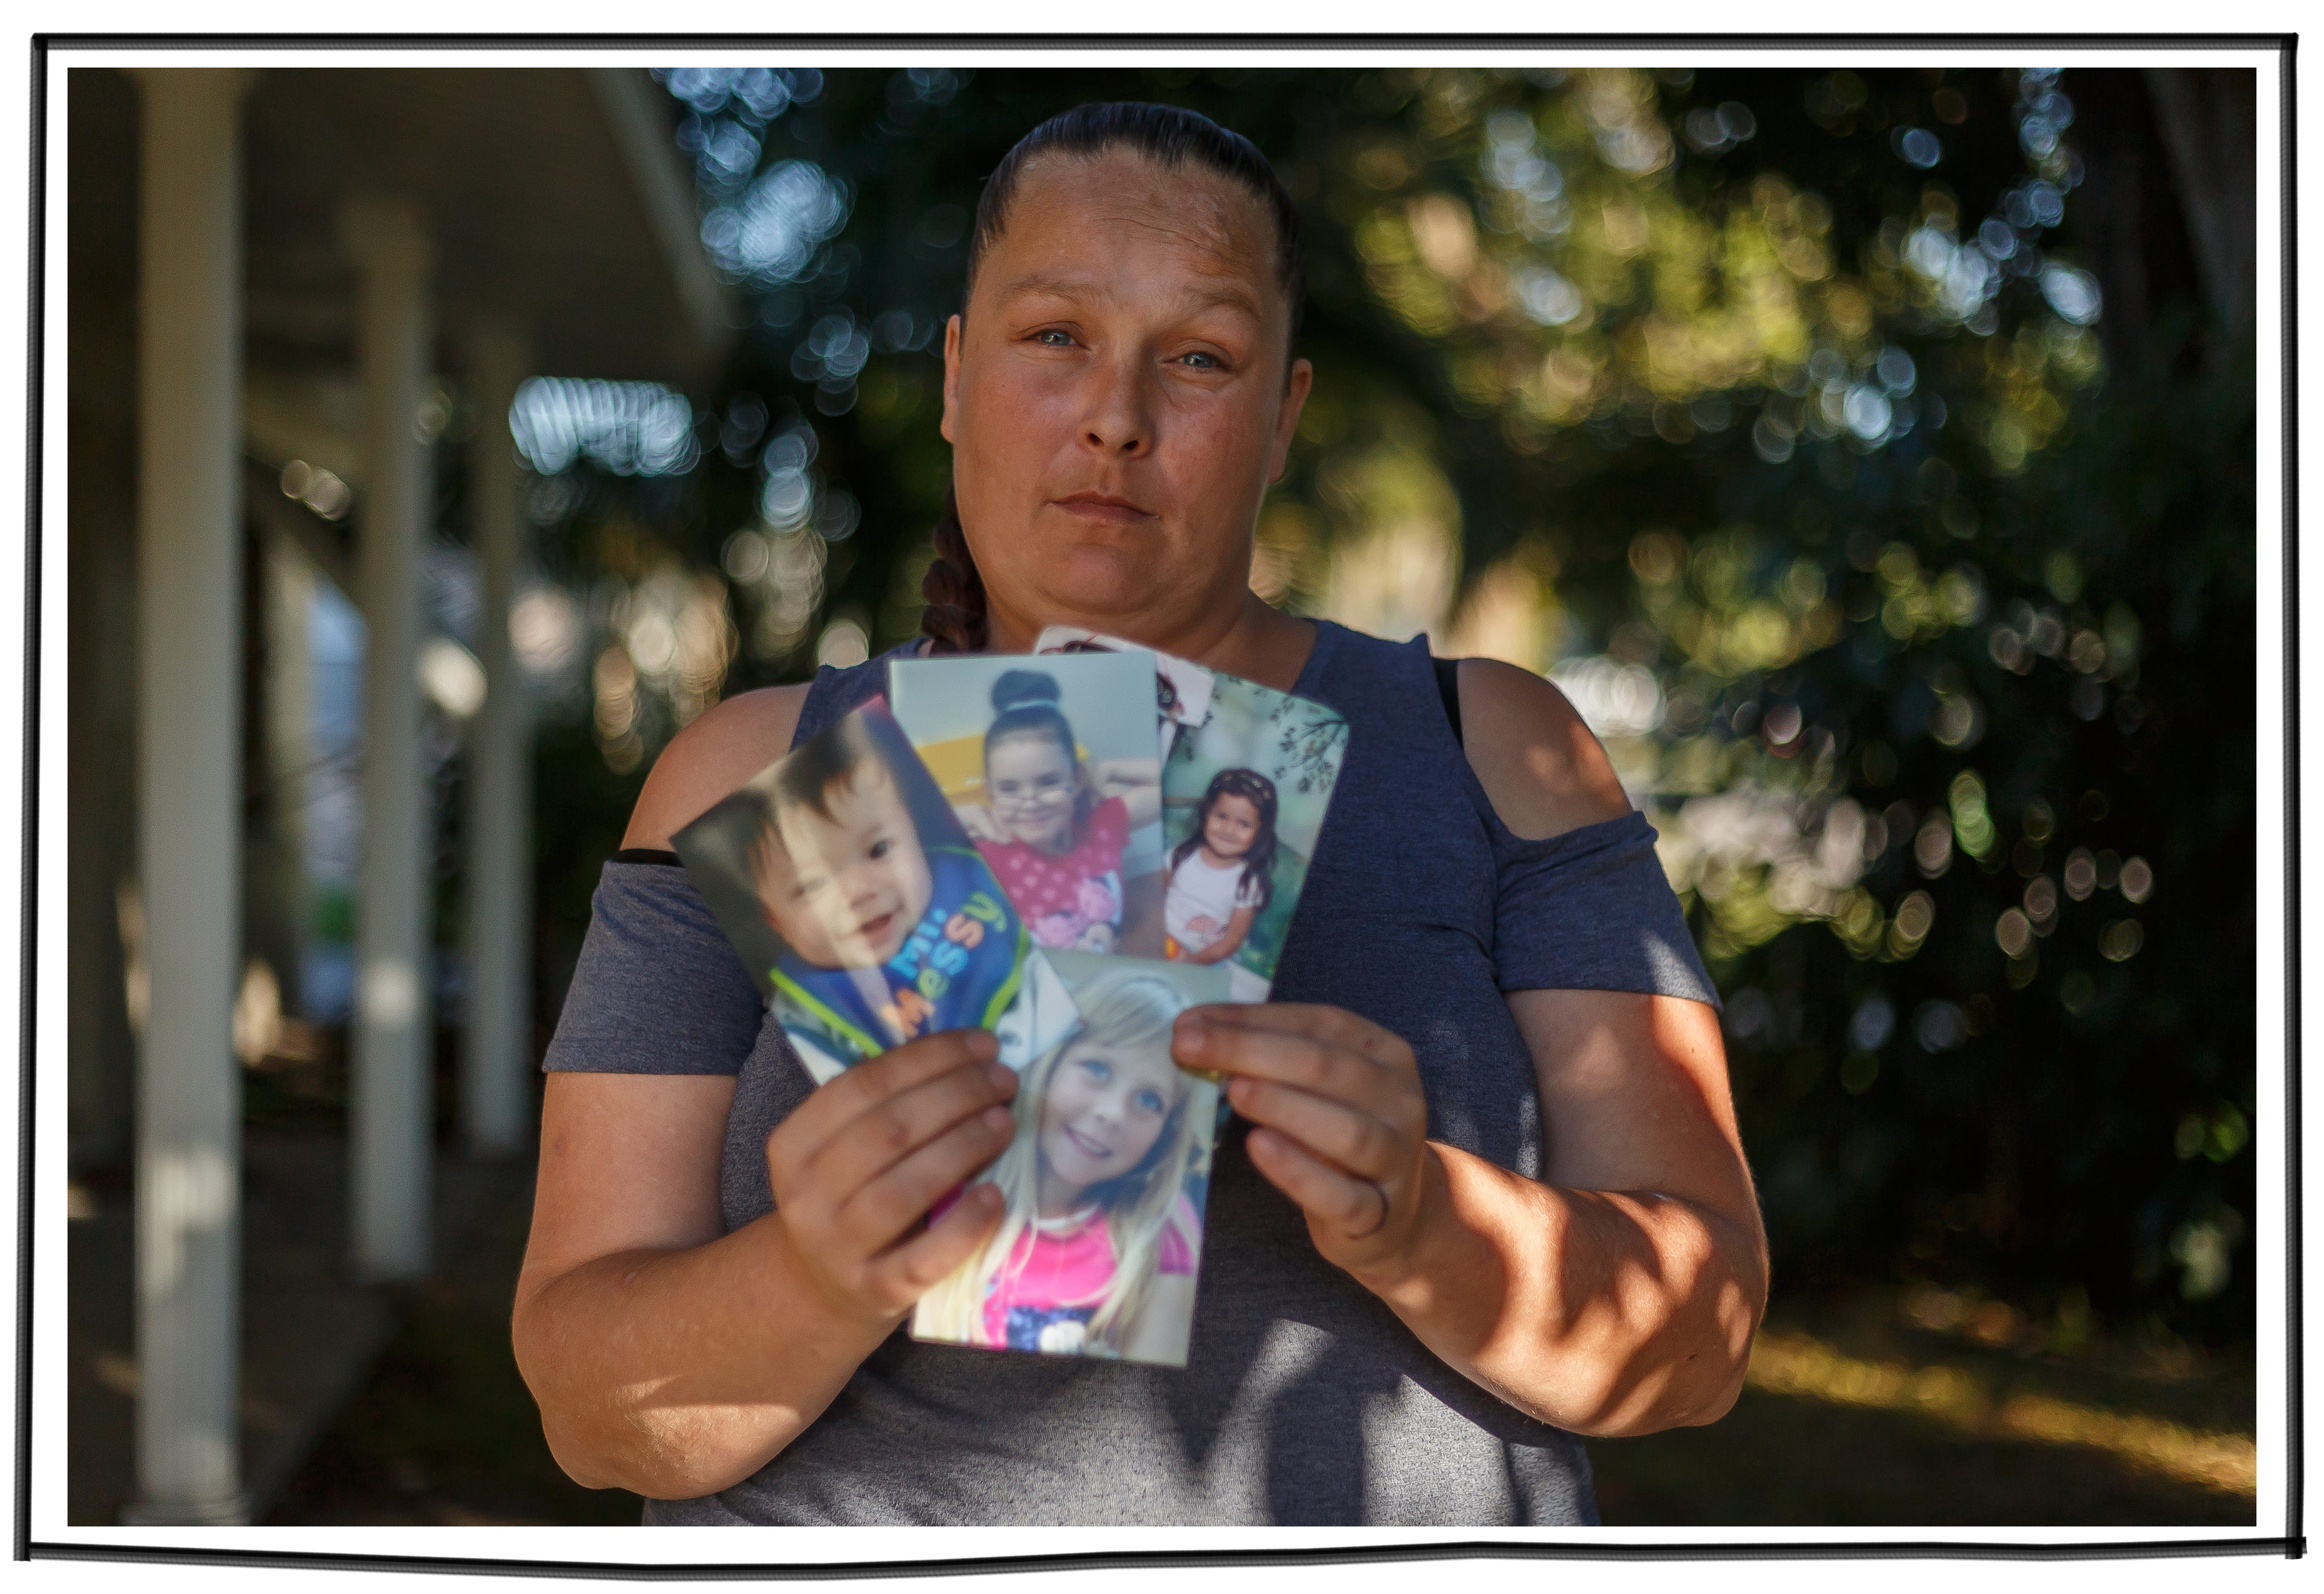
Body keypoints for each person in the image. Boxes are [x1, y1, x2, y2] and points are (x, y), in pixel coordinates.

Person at [517, 101, 1767, 1525]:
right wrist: (811, 1273)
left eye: (1197, 357)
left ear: (1282, 414)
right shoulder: (747, 776)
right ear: (954, 374)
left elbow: (1702, 1333)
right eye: (1054, 336)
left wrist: (1425, 1221)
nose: (1115, 413)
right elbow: (589, 1409)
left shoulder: (1493, 750)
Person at [916, 969, 1214, 1364]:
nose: (1111, 1113)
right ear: (1050, 1064)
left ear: (1164, 1134)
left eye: (1148, 1100)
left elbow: (1147, 1399)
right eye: (1097, 1068)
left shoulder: (1161, 1231)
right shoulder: (949, 1184)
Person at [743, 707, 1026, 1077]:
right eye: (812, 885)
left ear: (916, 838)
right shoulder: (808, 1012)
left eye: (879, 850)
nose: (858, 893)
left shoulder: (970, 884)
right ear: (776, 922)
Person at [957, 668, 1158, 952]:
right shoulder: (986, 854)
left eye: (1048, 782)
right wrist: (958, 817)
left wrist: (1112, 769)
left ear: (1076, 780)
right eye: (1009, 788)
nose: (1030, 801)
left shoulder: (1101, 825)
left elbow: (1179, 788)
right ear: (991, 792)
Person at [1163, 769, 1276, 967]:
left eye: (1244, 824)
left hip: (1204, 956)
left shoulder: (1247, 882)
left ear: (1259, 833)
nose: (1229, 830)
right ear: (1206, 814)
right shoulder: (1181, 856)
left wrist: (1192, 960)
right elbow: (1149, 901)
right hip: (1160, 939)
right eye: (1222, 817)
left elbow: (1231, 941)